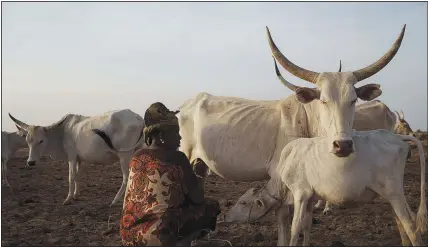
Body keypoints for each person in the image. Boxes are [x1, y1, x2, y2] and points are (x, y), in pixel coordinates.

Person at [120, 102, 221, 246]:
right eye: (175, 133)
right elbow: (197, 199)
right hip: (159, 237)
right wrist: (198, 174)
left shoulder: (136, 156)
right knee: (211, 206)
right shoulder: (177, 157)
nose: (179, 138)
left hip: (128, 236)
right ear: (161, 135)